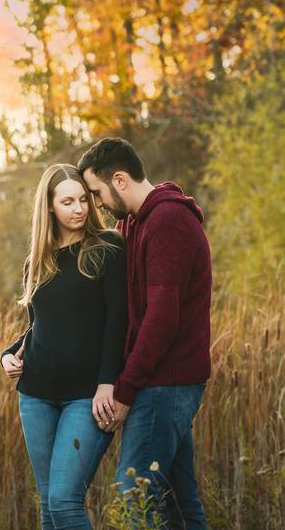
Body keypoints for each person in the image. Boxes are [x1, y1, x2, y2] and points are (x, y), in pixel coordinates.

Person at [78, 138, 211, 530]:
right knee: (179, 502)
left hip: (165, 383)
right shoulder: (133, 224)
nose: (96, 204)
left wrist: (125, 390)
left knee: (135, 495)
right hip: (161, 382)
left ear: (119, 180)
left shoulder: (168, 222)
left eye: (97, 192)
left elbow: (161, 318)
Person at [0, 164, 127, 530]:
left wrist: (108, 383)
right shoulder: (36, 262)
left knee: (64, 502)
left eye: (83, 199)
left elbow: (118, 321)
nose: (79, 209)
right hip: (36, 395)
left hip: (85, 398)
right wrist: (8, 354)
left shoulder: (107, 249)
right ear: (50, 207)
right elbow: (40, 325)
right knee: (48, 505)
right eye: (67, 201)